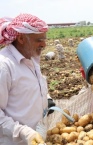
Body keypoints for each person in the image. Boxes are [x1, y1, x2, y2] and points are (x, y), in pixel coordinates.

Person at [0, 13, 55, 145]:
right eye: (39, 40)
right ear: (21, 38)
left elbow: (32, 87)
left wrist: (46, 99)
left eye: (45, 39)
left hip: (37, 138)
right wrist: (23, 132)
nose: (44, 44)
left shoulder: (32, 57)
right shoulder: (4, 66)